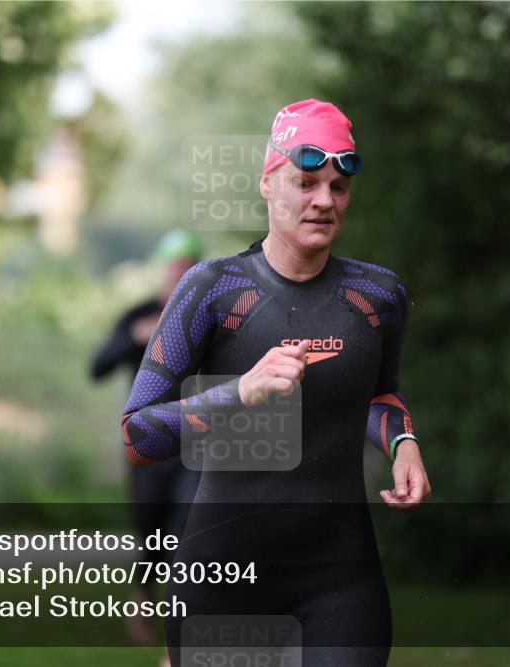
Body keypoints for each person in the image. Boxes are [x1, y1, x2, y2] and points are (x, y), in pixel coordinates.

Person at [120, 99, 432, 666]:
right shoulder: (209, 290)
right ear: (268, 182)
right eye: (306, 182)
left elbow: (378, 391)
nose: (323, 201)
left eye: (338, 187)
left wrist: (402, 443)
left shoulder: (379, 296)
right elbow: (138, 437)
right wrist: (239, 391)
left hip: (342, 582)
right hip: (223, 579)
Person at [90, 230, 203, 649]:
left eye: (188, 266)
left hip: (195, 444)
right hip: (148, 444)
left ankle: (186, 618)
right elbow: (97, 367)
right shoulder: (139, 315)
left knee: (190, 524)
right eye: (174, 266)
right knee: (151, 532)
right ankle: (142, 600)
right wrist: (134, 338)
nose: (180, 273)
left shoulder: (204, 314)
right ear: (163, 269)